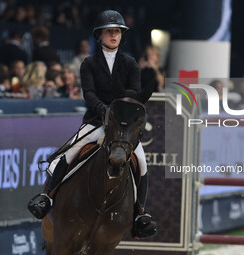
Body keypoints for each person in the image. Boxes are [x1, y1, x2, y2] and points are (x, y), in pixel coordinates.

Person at [27, 10, 157, 239]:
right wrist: (102, 109)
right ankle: (47, 197)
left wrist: (117, 112)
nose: (114, 35)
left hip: (122, 126)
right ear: (100, 35)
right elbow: (88, 92)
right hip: (96, 121)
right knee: (67, 154)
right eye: (109, 32)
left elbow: (134, 94)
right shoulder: (89, 63)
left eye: (117, 31)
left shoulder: (130, 64)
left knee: (142, 162)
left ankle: (139, 214)